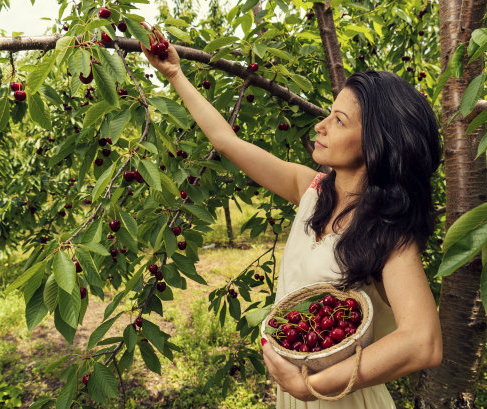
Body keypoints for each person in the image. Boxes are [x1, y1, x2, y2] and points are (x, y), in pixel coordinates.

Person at [141, 25, 443, 408]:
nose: (320, 125)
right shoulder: (312, 190)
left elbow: (425, 342)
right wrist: (175, 75)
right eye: (328, 114)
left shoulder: (387, 233)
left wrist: (309, 387)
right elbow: (226, 141)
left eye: (339, 120)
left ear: (377, 143)